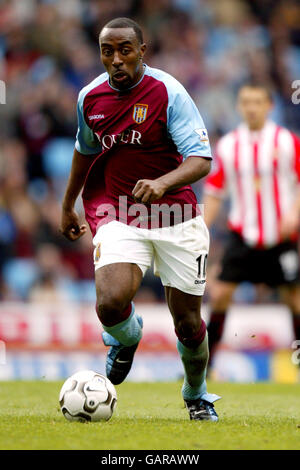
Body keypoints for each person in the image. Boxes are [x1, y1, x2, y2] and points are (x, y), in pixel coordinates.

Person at [60, 17, 221, 421]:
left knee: (187, 324)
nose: (116, 59)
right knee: (110, 303)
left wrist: (163, 183)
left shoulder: (169, 92)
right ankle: (127, 339)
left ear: (141, 52)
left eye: (125, 50)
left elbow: (201, 159)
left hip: (176, 215)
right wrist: (68, 204)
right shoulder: (89, 98)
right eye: (107, 51)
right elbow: (84, 150)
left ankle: (197, 392)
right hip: (121, 212)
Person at [203, 83, 300, 367]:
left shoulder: (287, 142)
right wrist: (202, 228)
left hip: (280, 236)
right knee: (220, 295)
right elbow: (215, 190)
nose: (252, 107)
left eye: (258, 102)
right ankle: (204, 370)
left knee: (294, 301)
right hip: (242, 234)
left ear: (269, 106)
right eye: (246, 102)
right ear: (238, 106)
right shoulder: (228, 145)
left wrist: (294, 212)